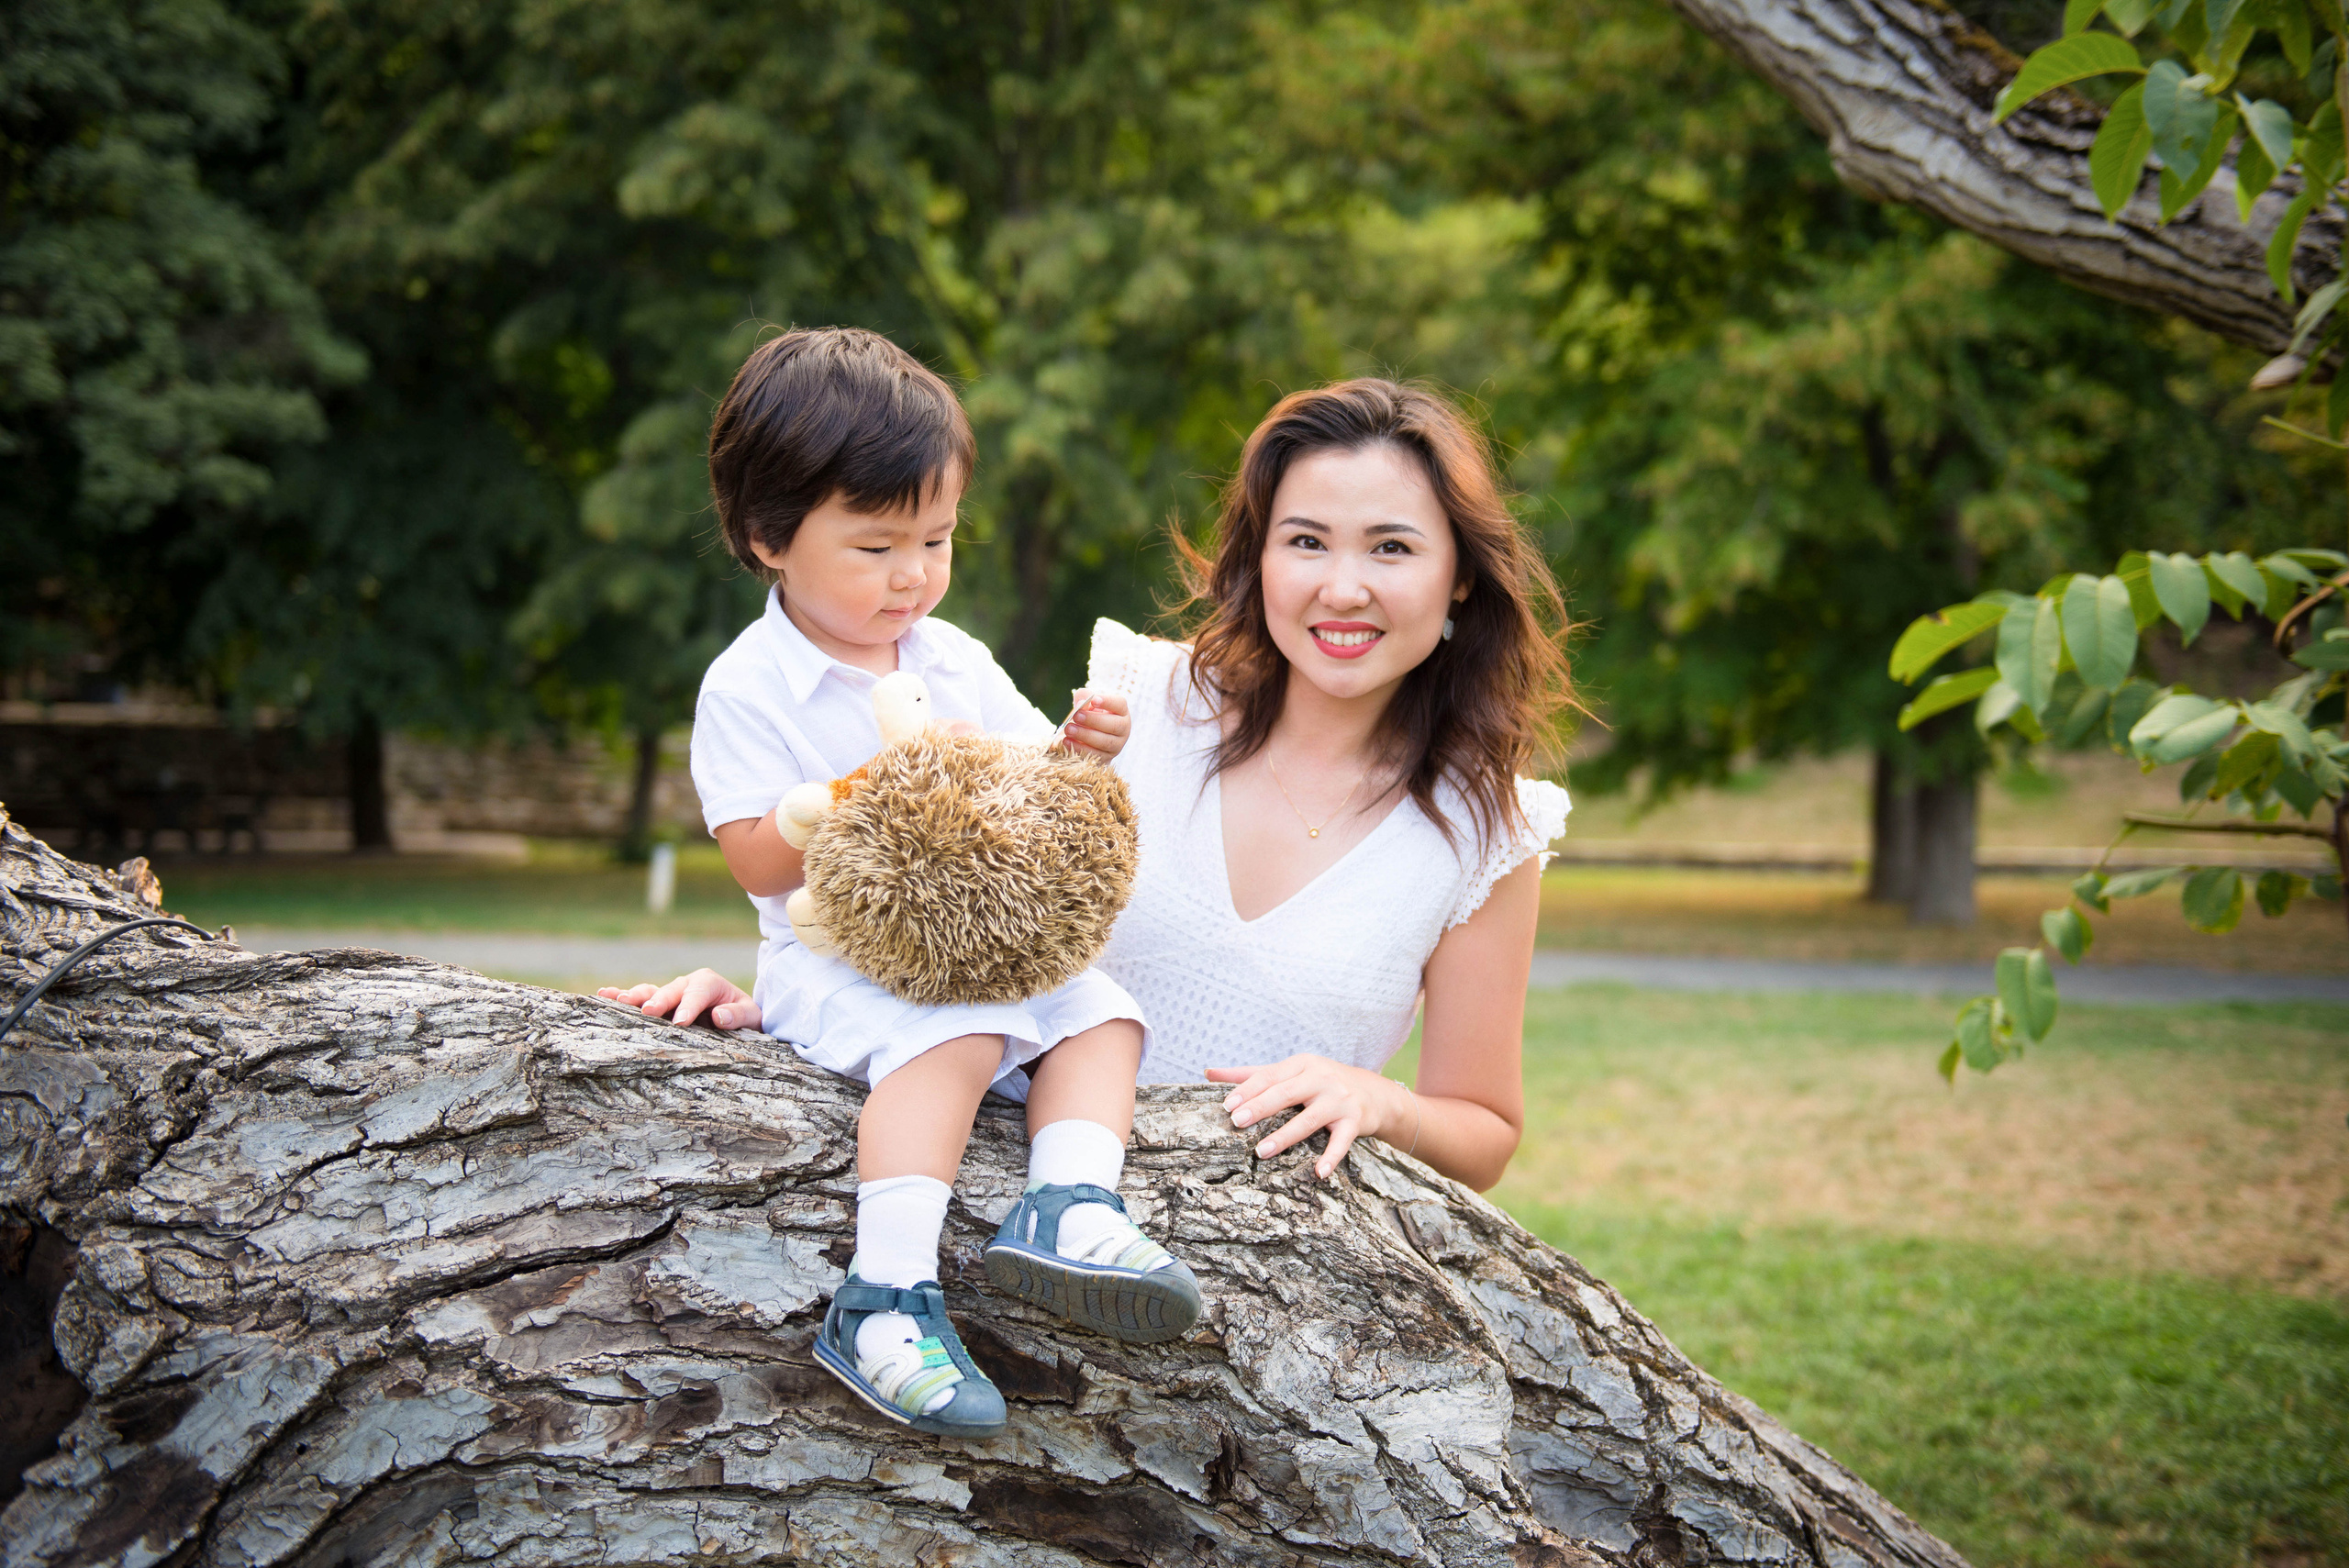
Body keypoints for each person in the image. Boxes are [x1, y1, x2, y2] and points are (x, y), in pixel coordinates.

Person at [613, 376, 1569, 1198]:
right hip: (990, 1192)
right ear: (1259, 558)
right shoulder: (1129, 707)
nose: (1343, 586)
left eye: (1392, 548)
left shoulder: (1485, 831)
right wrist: (771, 1006)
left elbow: (1482, 1127)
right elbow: (946, 882)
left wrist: (1383, 1098)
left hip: (1250, 1279)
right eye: (1306, 541)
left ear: (1458, 580)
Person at [651, 327, 1198, 1443]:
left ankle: (1071, 1202)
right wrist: (875, 789)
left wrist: (1076, 753)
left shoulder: (949, 657)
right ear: (768, 537)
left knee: (1104, 1010)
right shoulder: (749, 684)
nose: (914, 574)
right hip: (835, 963)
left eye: (937, 539)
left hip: (976, 941)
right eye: (876, 546)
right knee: (953, 1033)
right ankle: (884, 1297)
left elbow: (1016, 785)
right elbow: (756, 853)